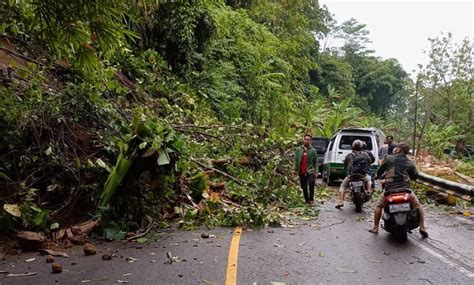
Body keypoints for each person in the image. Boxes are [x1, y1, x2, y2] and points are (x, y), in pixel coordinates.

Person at [369, 142, 428, 238]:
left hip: (390, 190)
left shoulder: (389, 159)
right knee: (418, 205)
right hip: (405, 190)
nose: (395, 149)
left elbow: (380, 171)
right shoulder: (409, 162)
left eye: (397, 148)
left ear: (399, 150)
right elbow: (415, 176)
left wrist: (377, 176)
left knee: (379, 206)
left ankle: (375, 227)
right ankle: (422, 227)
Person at [335, 140, 372, 209]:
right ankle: (369, 190)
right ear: (361, 147)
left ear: (352, 146)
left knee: (342, 187)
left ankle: (341, 201)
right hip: (363, 175)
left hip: (352, 175)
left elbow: (345, 165)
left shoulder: (349, 155)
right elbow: (369, 163)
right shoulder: (365, 155)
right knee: (369, 181)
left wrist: (344, 169)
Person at [294, 134, 318, 205]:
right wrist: (295, 170)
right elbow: (296, 160)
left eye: (308, 140)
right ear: (303, 140)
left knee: (311, 183)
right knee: (304, 187)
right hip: (301, 171)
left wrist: (316, 171)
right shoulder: (298, 149)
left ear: (311, 141)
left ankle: (311, 200)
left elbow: (315, 162)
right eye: (305, 139)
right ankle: (306, 200)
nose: (306, 141)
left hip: (310, 171)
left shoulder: (313, 150)